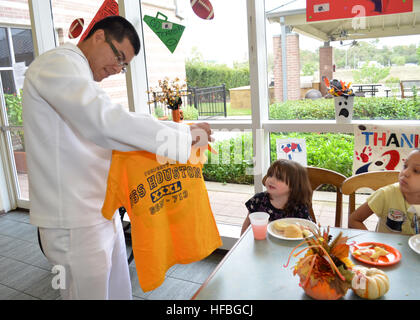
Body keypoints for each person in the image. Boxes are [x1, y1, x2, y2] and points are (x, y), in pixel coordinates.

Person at [22, 16, 213, 300]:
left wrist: (182, 130)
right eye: (119, 57)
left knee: (117, 291)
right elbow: (105, 122)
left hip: (99, 208)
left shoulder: (78, 74)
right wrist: (183, 137)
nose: (117, 68)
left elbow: (115, 120)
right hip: (73, 217)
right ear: (98, 36)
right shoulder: (57, 64)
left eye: (123, 65)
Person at [349, 149, 420, 235]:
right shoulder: (386, 194)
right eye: (405, 166)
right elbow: (354, 220)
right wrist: (374, 244)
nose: (405, 172)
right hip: (386, 248)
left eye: (416, 171)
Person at [240, 159, 313, 235]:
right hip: (262, 241)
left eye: (279, 178)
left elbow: (308, 229)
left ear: (294, 186)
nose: (271, 180)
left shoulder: (299, 205)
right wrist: (241, 241)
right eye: (270, 175)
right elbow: (248, 222)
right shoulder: (258, 200)